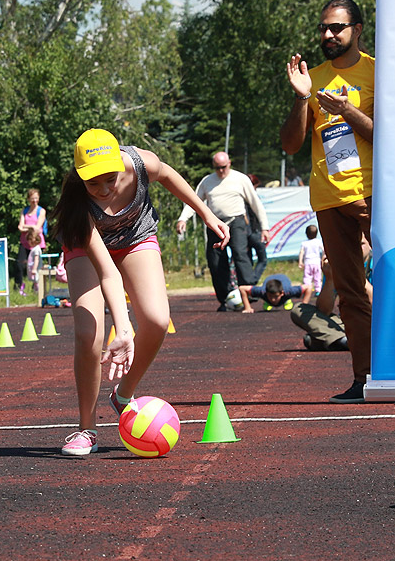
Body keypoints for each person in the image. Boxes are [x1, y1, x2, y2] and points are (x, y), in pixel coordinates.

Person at [52, 129, 229, 456]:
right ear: (80, 177)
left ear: (119, 163)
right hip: (87, 248)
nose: (104, 190)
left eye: (110, 179)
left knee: (158, 320)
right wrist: (122, 329)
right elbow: (108, 273)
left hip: (135, 238)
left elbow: (171, 176)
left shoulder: (141, 163)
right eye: (94, 183)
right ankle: (86, 429)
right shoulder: (79, 202)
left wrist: (207, 214)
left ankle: (123, 395)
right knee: (89, 333)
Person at [283, 0, 374, 403]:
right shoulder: (312, 77)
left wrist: (347, 111)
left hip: (375, 195)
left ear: (357, 30)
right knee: (350, 292)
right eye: (323, 27)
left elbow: (393, 135)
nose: (328, 34)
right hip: (329, 199)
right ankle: (365, 378)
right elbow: (290, 145)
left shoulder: (377, 72)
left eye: (336, 27)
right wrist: (303, 97)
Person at [176, 152, 269, 310]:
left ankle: (248, 293)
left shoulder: (240, 179)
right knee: (215, 260)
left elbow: (255, 203)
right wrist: (183, 218)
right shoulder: (207, 181)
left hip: (236, 222)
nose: (221, 171)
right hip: (215, 224)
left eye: (224, 167)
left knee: (241, 255)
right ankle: (225, 298)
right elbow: (195, 201)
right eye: (217, 168)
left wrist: (264, 227)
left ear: (230, 164)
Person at [291, 256, 349, 352]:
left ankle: (340, 341)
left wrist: (360, 278)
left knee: (313, 340)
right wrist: (330, 279)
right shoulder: (336, 266)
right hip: (345, 324)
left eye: (361, 244)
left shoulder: (378, 265)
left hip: (371, 322)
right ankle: (345, 341)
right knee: (299, 310)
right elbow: (323, 311)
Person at [14, 188, 46, 296]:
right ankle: (18, 287)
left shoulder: (41, 211)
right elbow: (20, 227)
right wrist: (31, 226)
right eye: (32, 199)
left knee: (36, 266)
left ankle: (36, 289)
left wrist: (27, 227)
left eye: (36, 198)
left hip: (36, 242)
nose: (34, 201)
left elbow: (37, 228)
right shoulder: (24, 211)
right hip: (24, 242)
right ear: (28, 199)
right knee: (19, 264)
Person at [236, 273, 311, 314]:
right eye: (270, 296)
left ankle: (287, 301)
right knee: (268, 303)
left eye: (276, 297)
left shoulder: (289, 291)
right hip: (269, 279)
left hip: (283, 279)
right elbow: (242, 288)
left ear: (281, 293)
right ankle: (266, 302)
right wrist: (247, 307)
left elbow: (308, 288)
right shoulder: (262, 291)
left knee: (286, 300)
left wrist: (304, 306)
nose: (273, 299)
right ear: (266, 292)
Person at [298, 224, 324, 302]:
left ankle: (307, 289)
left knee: (307, 277)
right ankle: (318, 290)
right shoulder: (318, 242)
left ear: (306, 234)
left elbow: (301, 252)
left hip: (308, 262)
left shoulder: (304, 243)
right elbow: (324, 250)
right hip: (316, 262)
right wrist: (323, 258)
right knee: (317, 277)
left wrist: (300, 261)